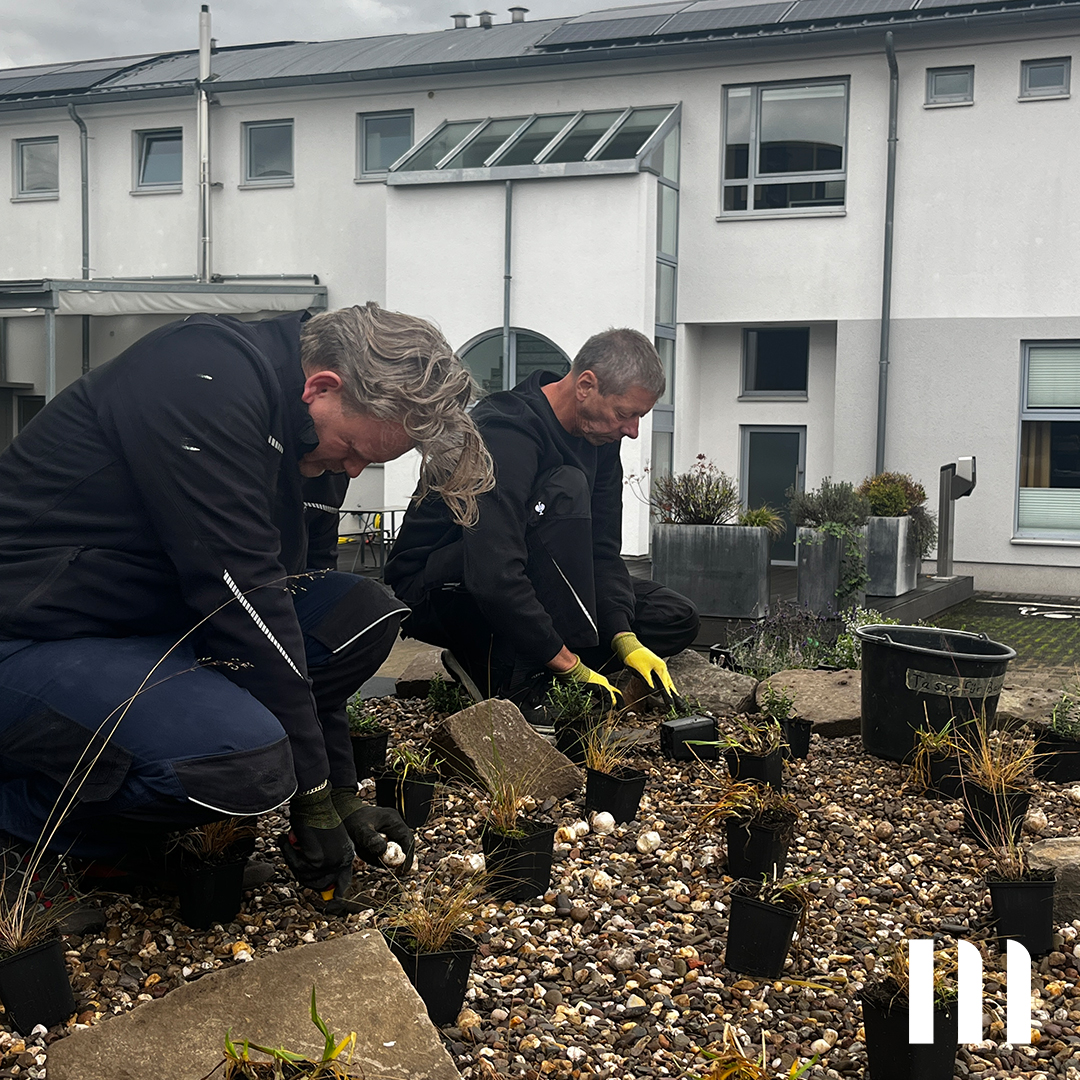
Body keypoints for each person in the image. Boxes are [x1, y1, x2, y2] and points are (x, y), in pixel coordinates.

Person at [0, 302, 493, 907]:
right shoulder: (201, 377)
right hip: (32, 633)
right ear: (322, 385)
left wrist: (341, 791)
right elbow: (243, 599)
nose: (354, 467)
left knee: (360, 613)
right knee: (244, 761)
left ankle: (119, 831)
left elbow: (288, 625)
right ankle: (25, 838)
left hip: (135, 628)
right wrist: (310, 797)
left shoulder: (312, 436)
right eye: (353, 449)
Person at [385, 327, 698, 718]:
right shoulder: (505, 429)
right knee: (566, 487)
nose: (632, 431)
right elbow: (494, 568)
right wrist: (567, 661)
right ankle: (514, 676)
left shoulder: (601, 441)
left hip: (531, 571)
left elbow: (600, 551)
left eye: (639, 417)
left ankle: (508, 655)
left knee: (672, 617)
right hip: (446, 582)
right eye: (626, 414)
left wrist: (623, 636)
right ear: (586, 385)